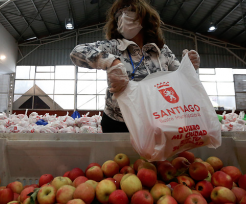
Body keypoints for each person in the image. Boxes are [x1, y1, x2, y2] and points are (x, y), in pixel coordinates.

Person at [70, 0, 200, 133]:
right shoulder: (114, 46)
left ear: (144, 18)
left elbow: (181, 80)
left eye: (129, 11)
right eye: (119, 14)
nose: (123, 17)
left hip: (157, 120)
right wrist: (112, 62)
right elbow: (77, 52)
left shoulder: (162, 50)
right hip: (118, 122)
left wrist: (189, 67)